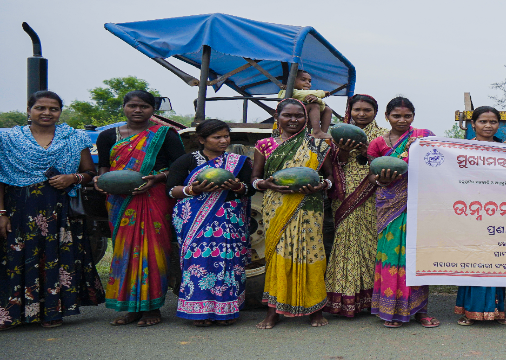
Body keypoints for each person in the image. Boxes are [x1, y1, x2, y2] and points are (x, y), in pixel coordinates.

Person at [0, 91, 104, 330]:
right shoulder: (8, 139)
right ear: (29, 110)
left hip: (60, 211)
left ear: (59, 112)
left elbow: (89, 173)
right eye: (40, 108)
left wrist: (72, 178)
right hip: (19, 210)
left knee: (55, 258)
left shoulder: (73, 138)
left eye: (53, 109)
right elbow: (1, 178)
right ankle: (11, 313)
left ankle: (52, 311)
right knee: (15, 259)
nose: (47, 113)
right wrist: (1, 213)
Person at [94, 90, 186, 327]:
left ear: (153, 110)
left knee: (153, 252)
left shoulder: (165, 135)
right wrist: (101, 180)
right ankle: (130, 308)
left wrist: (156, 178)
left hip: (153, 197)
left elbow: (180, 168)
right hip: (119, 201)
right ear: (124, 107)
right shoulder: (107, 136)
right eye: (132, 105)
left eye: (144, 106)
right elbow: (104, 166)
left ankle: (152, 308)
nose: (137, 110)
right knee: (124, 251)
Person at [251, 98, 334, 329]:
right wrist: (267, 184)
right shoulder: (264, 145)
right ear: (277, 116)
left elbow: (330, 177)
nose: (293, 120)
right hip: (276, 206)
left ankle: (315, 310)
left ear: (306, 118)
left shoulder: (318, 145)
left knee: (311, 254)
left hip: (309, 206)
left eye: (299, 115)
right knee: (278, 256)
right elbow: (255, 178)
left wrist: (322, 185)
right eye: (287, 115)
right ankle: (273, 311)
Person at [167, 119, 253, 326]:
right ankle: (199, 313)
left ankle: (226, 312)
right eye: (217, 137)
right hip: (196, 221)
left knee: (228, 263)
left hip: (228, 220)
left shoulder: (239, 162)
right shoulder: (187, 161)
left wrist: (237, 187)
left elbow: (250, 189)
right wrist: (194, 190)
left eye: (226, 136)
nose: (223, 141)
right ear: (201, 139)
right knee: (198, 263)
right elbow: (171, 190)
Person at [366, 97, 439, 328]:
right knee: (391, 256)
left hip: (419, 202)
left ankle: (420, 311)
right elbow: (371, 175)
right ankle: (390, 311)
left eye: (407, 116)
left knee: (416, 258)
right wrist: (380, 180)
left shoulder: (424, 136)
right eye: (396, 116)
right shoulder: (377, 143)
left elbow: (439, 161)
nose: (402, 120)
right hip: (389, 204)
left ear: (413, 116)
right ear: (387, 116)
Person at [324, 95, 390, 318]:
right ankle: (345, 299)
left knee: (372, 242)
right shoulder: (339, 132)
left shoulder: (383, 135)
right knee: (346, 241)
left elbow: (388, 163)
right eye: (357, 110)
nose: (361, 114)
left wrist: (367, 152)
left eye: (367, 110)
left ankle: (373, 299)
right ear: (349, 111)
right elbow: (335, 164)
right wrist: (343, 149)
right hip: (345, 195)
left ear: (376, 112)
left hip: (374, 192)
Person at [455, 106, 506, 325]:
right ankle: (469, 311)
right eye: (482, 121)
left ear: (499, 124)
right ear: (473, 124)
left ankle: (497, 311)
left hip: (499, 214)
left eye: (493, 122)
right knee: (473, 260)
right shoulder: (460, 149)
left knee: (496, 260)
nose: (488, 126)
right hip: (471, 214)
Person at [278, 69, 333, 140]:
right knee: (314, 105)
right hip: (291, 118)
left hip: (303, 118)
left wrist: (317, 99)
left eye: (309, 81)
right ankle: (316, 132)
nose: (307, 83)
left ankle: (322, 134)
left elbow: (322, 107)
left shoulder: (306, 94)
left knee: (327, 109)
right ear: (292, 81)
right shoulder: (286, 91)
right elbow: (300, 94)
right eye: (303, 80)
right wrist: (321, 93)